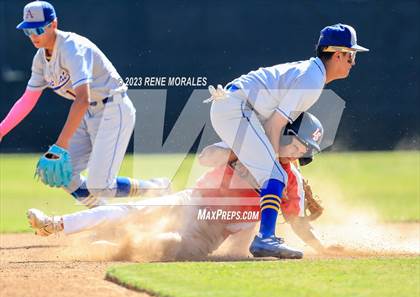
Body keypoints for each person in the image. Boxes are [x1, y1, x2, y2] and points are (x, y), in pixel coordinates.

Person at [27, 112, 329, 260]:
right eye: (301, 146)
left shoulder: (291, 180)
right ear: (287, 134)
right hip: (192, 201)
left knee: (170, 246)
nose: (301, 154)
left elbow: (299, 224)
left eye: (306, 152)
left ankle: (119, 246)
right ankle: (54, 224)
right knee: (129, 211)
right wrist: (241, 151)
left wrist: (322, 249)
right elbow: (206, 157)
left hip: (214, 230)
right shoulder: (251, 142)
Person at [207, 23, 369, 258]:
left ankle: (264, 235)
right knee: (274, 175)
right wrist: (276, 168)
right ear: (337, 54)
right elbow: (275, 125)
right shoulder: (312, 80)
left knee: (274, 174)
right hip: (235, 107)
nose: (353, 63)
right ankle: (265, 239)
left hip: (235, 107)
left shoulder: (311, 74)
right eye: (351, 56)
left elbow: (270, 122)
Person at [0, 1, 169, 208]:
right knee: (64, 175)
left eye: (38, 29)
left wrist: (60, 145)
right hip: (88, 113)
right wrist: (1, 130)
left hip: (113, 109)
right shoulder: (40, 59)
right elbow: (27, 99)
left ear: (54, 24)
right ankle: (105, 217)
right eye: (27, 31)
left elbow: (82, 98)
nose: (33, 35)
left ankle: (157, 189)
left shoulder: (71, 47)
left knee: (100, 185)